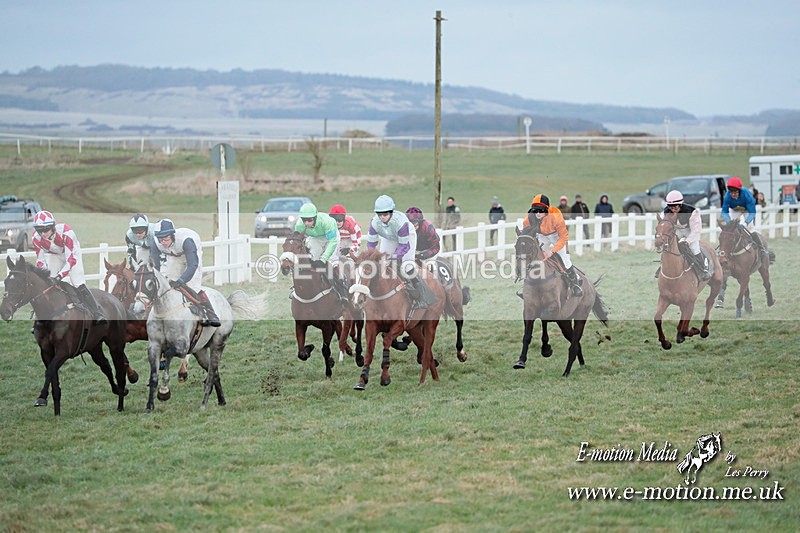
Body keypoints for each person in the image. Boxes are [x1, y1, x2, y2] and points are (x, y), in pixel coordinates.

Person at [32, 210, 107, 324]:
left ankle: (97, 313)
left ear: (53, 227)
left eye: (45, 229)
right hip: (54, 255)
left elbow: (70, 260)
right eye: (39, 230)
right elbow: (40, 261)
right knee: (49, 283)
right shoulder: (36, 238)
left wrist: (59, 276)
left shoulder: (67, 232)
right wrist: (47, 277)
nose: (42, 234)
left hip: (72, 254)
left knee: (77, 282)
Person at [367, 195, 438, 311]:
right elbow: (371, 244)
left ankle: (422, 297)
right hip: (389, 237)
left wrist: (393, 258)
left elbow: (404, 246)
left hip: (406, 238)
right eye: (379, 214)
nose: (382, 217)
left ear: (391, 212)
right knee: (381, 265)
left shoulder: (401, 223)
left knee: (406, 265)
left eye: (385, 214)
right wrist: (372, 256)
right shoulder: (374, 222)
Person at [152, 219, 221, 327]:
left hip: (191, 255)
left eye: (166, 239)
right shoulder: (156, 243)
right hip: (173, 256)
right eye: (160, 240)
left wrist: (181, 281)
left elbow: (192, 265)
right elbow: (155, 267)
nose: (163, 243)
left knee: (192, 286)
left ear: (172, 235)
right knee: (167, 284)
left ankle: (210, 313)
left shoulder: (187, 240)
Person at [522, 194, 583, 297]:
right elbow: (527, 233)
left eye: (540, 210)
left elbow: (563, 237)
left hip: (556, 236)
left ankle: (575, 284)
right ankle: (527, 284)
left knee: (564, 258)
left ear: (546, 209)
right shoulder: (528, 218)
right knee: (533, 256)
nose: (538, 213)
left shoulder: (556, 216)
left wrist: (552, 251)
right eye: (535, 210)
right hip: (541, 235)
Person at [293, 202, 349, 303]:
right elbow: (298, 242)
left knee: (331, 261)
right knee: (312, 261)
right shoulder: (299, 225)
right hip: (316, 238)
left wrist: (323, 259)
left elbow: (332, 242)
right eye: (304, 220)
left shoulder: (326, 222)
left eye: (309, 220)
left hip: (331, 238)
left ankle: (342, 291)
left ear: (315, 217)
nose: (306, 223)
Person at [721, 176, 772, 261]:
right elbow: (724, 212)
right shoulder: (727, 196)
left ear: (739, 190)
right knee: (730, 229)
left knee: (750, 228)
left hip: (747, 210)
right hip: (735, 209)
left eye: (735, 192)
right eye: (731, 192)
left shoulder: (747, 194)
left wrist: (745, 223)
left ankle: (762, 249)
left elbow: (752, 212)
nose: (733, 194)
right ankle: (726, 250)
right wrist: (730, 222)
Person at [663, 190, 711, 281]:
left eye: (676, 206)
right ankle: (663, 267)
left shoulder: (691, 211)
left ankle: (702, 269)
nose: (673, 209)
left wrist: (687, 241)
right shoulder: (666, 211)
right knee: (669, 246)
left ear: (681, 204)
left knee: (694, 248)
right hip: (677, 230)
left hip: (690, 231)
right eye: (671, 207)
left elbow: (696, 230)